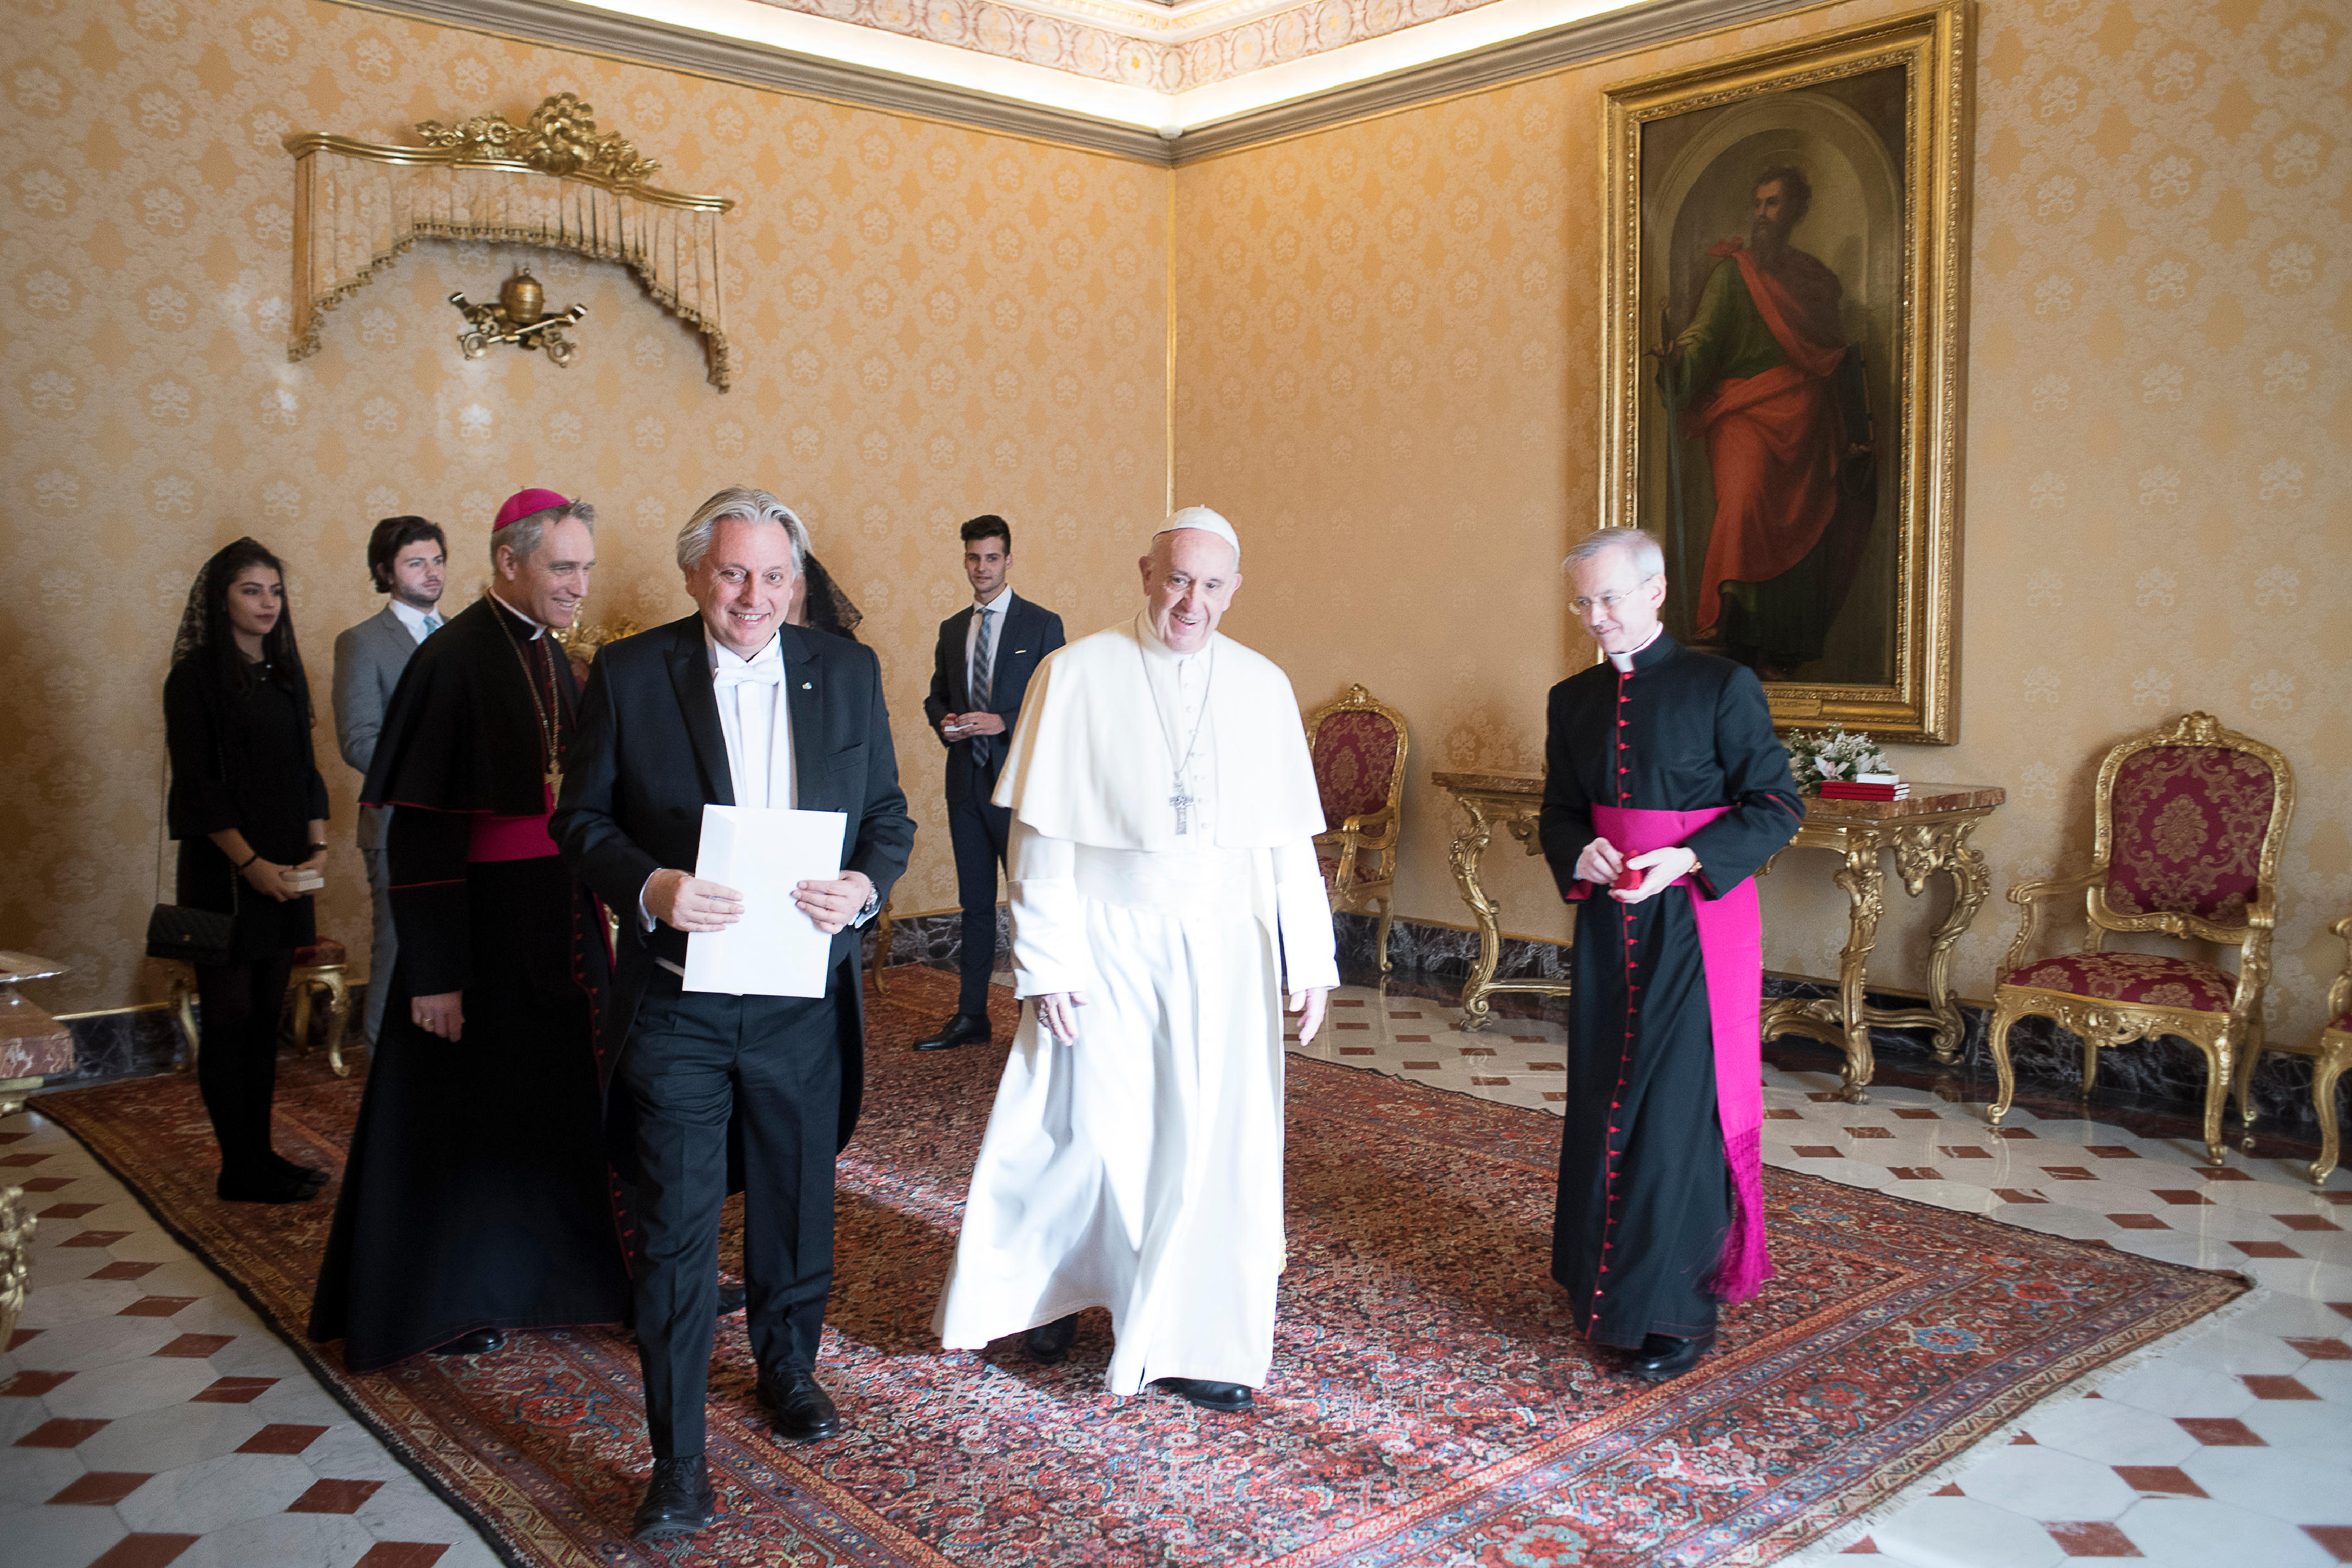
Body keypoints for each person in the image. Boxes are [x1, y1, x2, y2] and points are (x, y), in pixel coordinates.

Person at [553, 487, 914, 1541]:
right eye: (732, 573)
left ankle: (788, 1370)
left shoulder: (848, 671)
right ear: (694, 575)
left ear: (797, 582)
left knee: (798, 1200)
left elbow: (887, 817)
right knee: (676, 1231)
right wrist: (651, 885)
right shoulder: (630, 673)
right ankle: (678, 1463)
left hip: (802, 997)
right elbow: (579, 821)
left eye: (774, 576)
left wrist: (866, 887)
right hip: (679, 1003)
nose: (754, 595)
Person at [933, 506, 1335, 1412]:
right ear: (1146, 575)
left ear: (1235, 590)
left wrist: (1307, 954)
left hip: (1225, 947)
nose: (1192, 601)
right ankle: (1058, 1289)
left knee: (1209, 1142)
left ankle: (1194, 1335)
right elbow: (1042, 838)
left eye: (1212, 585)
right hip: (1106, 939)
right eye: (1177, 579)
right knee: (1090, 1128)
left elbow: (1285, 839)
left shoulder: (1262, 685)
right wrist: (1047, 962)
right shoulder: (1075, 674)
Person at [309, 489, 629, 1371]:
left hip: (560, 915)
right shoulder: (451, 658)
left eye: (585, 567)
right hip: (481, 930)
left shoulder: (553, 654)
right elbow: (420, 832)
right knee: (466, 1118)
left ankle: (580, 1276)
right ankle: (452, 1298)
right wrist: (435, 973)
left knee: (565, 1102)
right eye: (562, 567)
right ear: (509, 561)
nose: (578, 585)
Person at [1536, 527, 1803, 1382]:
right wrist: (1579, 851)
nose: (1595, 616)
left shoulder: (1722, 686)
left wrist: (1685, 858)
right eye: (1583, 602)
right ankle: (1601, 1286)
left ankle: (1673, 1310)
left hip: (1696, 920)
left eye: (1609, 597)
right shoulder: (1572, 699)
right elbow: (1560, 811)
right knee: (1605, 1090)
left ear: (1655, 591)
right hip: (1609, 923)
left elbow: (1776, 804)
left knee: (1679, 1105)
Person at [162, 538, 332, 1204]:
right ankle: (237, 1166)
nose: (267, 603)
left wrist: (317, 849)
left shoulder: (285, 672)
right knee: (230, 1018)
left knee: (266, 1017)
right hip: (227, 875)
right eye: (251, 590)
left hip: (289, 869)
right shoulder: (194, 679)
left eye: (275, 591)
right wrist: (252, 864)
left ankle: (260, 1155)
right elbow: (198, 787)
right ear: (221, 598)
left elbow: (307, 769)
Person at [1657, 164, 1873, 678]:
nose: (1761, 214)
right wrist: (1680, 360)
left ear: (1796, 210)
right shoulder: (1733, 274)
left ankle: (1781, 643)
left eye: (1772, 204)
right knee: (1744, 501)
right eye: (1757, 204)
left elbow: (1833, 353)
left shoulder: (1816, 281)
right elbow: (1704, 335)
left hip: (1805, 416)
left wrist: (1854, 428)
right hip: (1743, 414)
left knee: (1803, 521)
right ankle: (1728, 628)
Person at [914, 515, 1065, 1051]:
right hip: (965, 782)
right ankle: (971, 1016)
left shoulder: (1041, 625)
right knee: (975, 905)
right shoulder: (953, 628)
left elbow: (1057, 703)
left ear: (1008, 560)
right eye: (974, 558)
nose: (982, 568)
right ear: (965, 560)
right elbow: (937, 695)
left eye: (992, 558)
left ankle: (1037, 1019)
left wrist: (1003, 720)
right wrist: (944, 721)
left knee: (1028, 902)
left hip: (1018, 786)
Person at [331, 515, 447, 1047]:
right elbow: (358, 740)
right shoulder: (361, 642)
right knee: (398, 949)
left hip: (463, 825)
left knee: (453, 953)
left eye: (437, 560)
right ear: (385, 572)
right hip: (396, 824)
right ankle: (381, 1073)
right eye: (416, 563)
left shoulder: (463, 636)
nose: (431, 572)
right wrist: (433, 777)